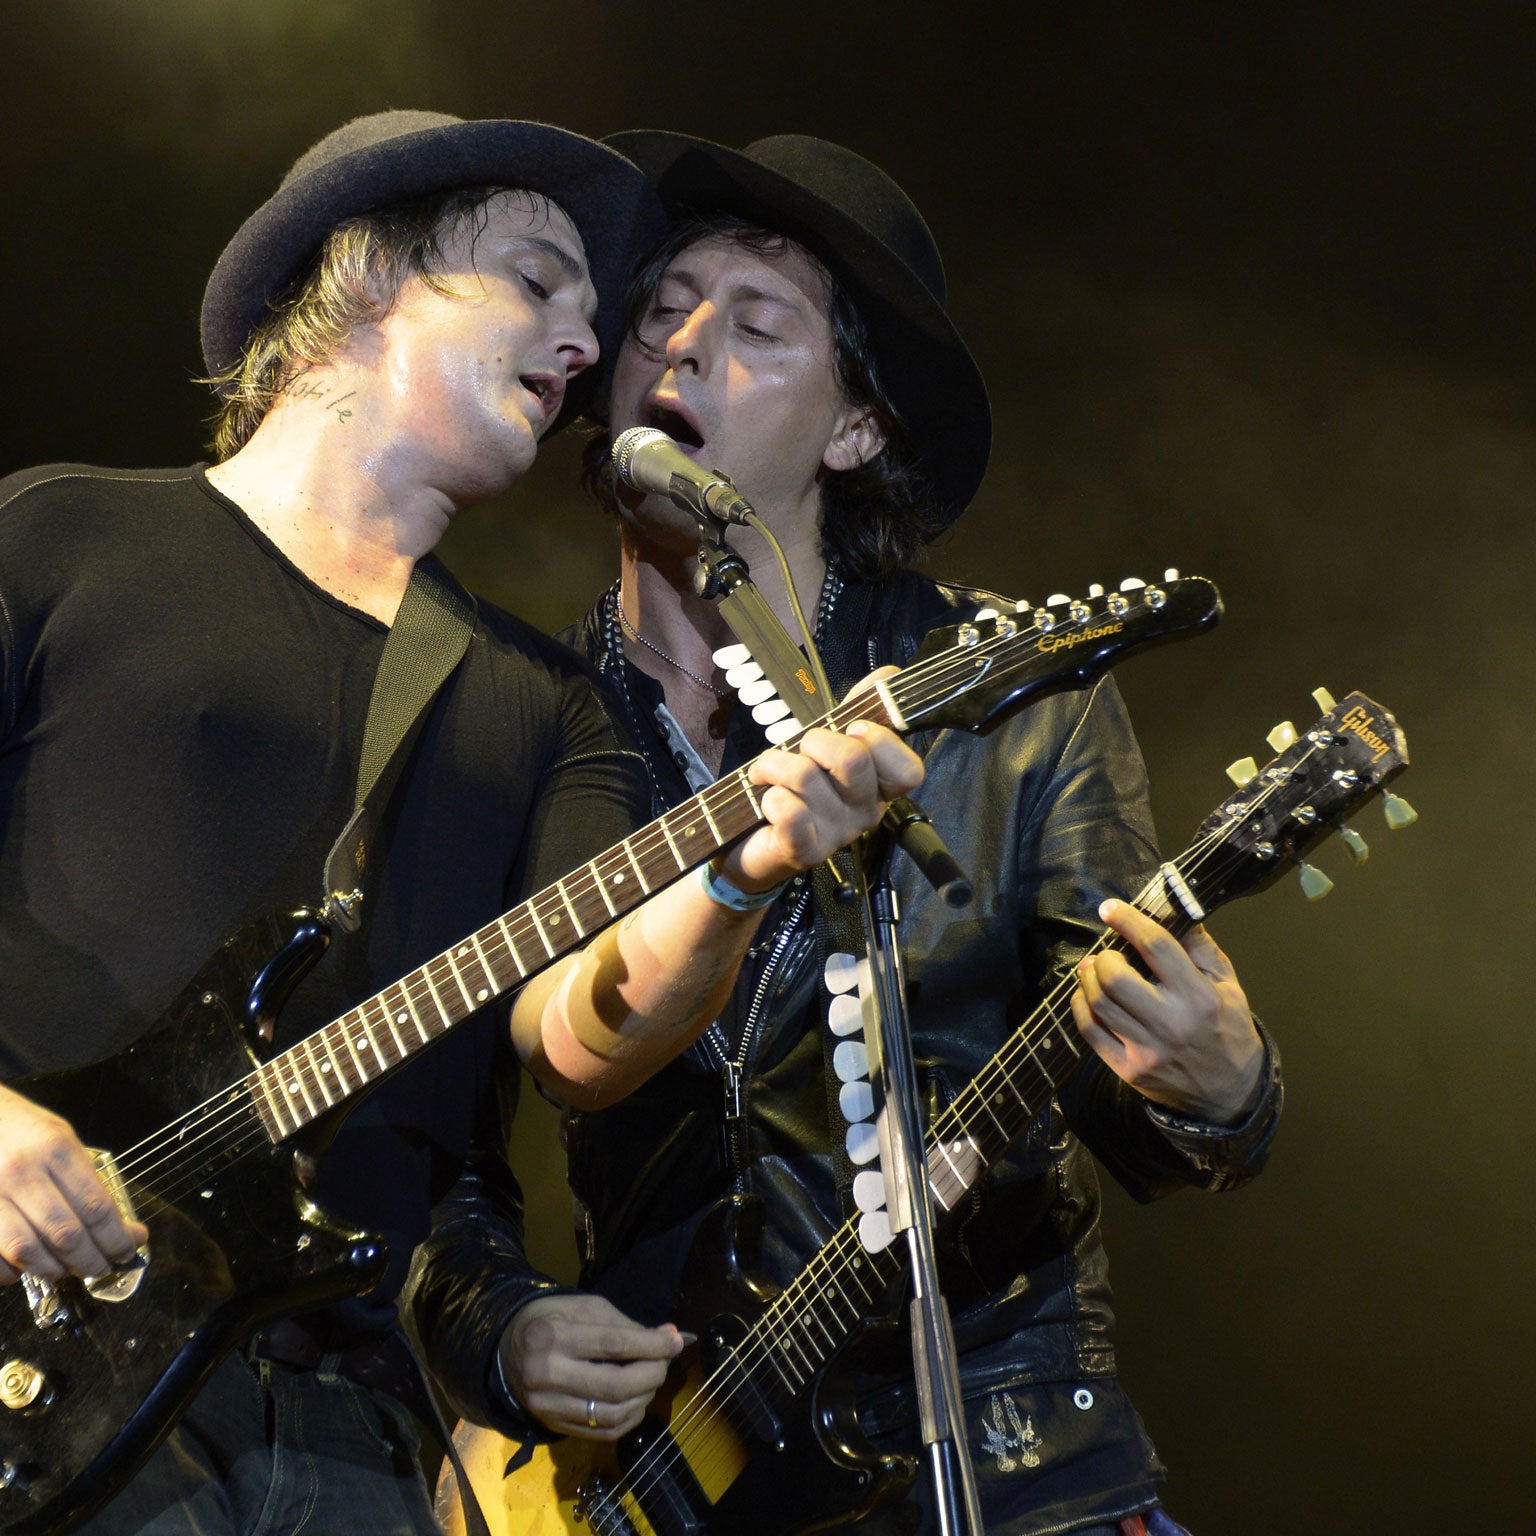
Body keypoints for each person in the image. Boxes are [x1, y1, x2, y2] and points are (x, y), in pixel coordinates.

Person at [0, 112, 925, 1536]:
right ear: (365, 278)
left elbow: (577, 1047)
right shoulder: (55, 543)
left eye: (594, 312)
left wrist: (739, 873)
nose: (587, 344)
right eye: (537, 282)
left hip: (353, 1429)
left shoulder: (537, 702)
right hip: (22, 1358)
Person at [405, 133, 1284, 1536]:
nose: (681, 346)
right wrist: (493, 1326)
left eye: (756, 325)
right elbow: (425, 1141)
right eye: (660, 310)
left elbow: (1141, 1109)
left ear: (855, 427)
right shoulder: (509, 723)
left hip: (1003, 1464)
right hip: (669, 1471)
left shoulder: (1006, 695)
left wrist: (1220, 1086)